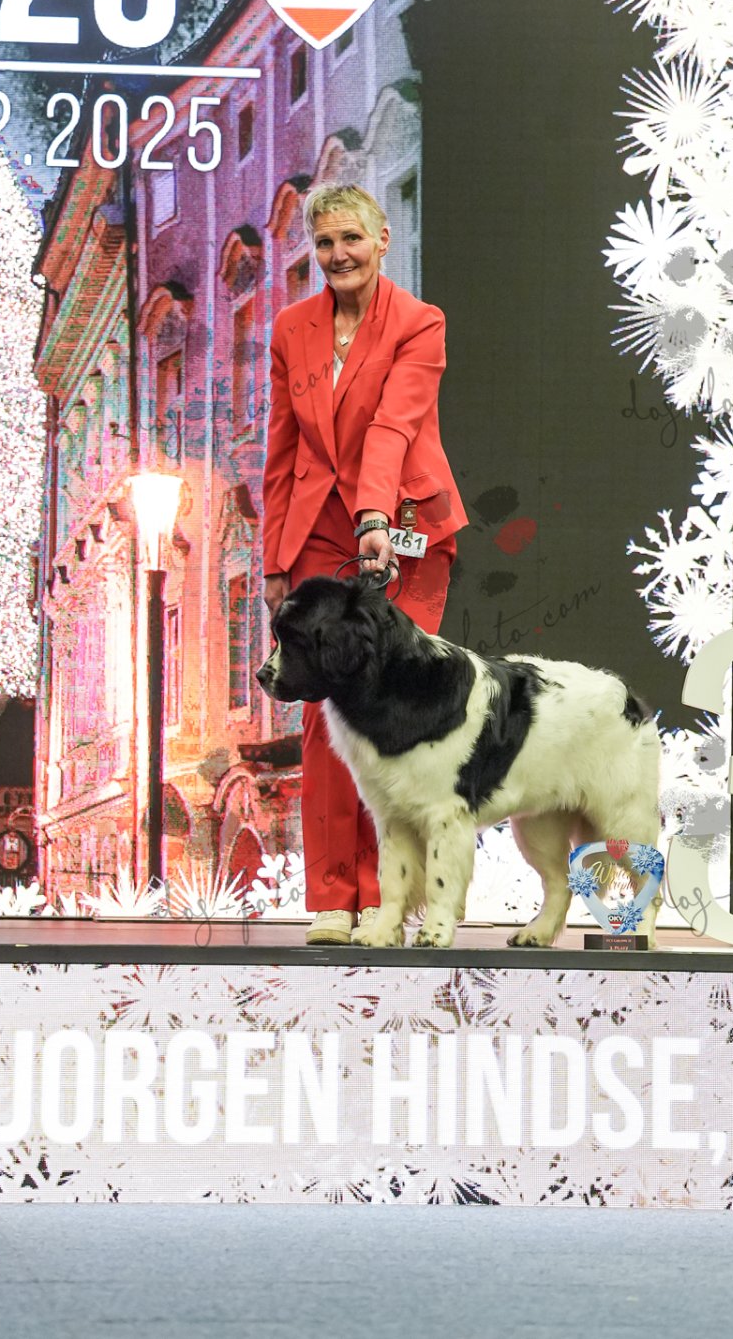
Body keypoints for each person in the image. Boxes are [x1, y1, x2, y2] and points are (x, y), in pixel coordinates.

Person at [262, 183, 466, 944]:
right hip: (317, 532)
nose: (338, 254)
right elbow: (282, 447)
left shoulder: (419, 322)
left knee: (394, 709)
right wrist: (275, 557)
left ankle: (390, 897)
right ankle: (332, 896)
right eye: (324, 243)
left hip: (403, 525)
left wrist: (374, 515)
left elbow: (393, 425)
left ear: (382, 239)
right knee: (326, 718)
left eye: (351, 238)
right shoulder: (292, 328)